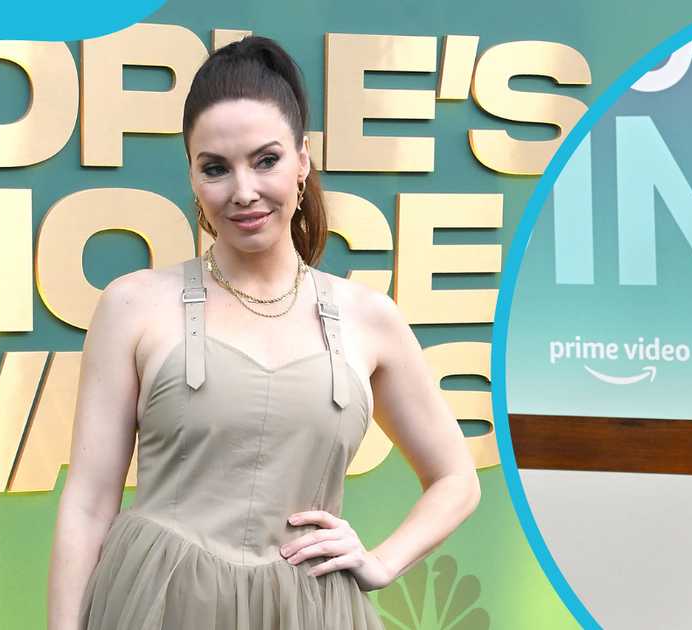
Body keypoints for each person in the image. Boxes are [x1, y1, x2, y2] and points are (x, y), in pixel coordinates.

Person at [46, 36, 480, 630]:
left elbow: (456, 479)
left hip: (307, 611)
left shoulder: (369, 318)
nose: (243, 191)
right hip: (157, 605)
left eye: (266, 159)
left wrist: (380, 561)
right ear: (194, 176)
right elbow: (89, 504)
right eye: (217, 168)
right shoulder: (132, 304)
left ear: (303, 159)